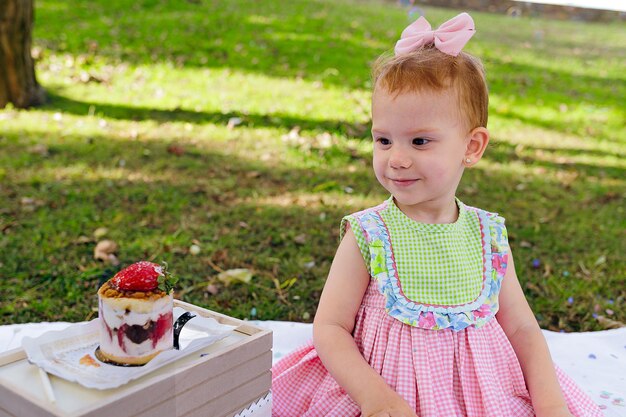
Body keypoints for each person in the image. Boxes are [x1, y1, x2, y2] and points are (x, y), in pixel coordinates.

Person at [271, 12, 603, 417]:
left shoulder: (487, 234)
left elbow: (521, 329)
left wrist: (550, 403)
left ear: (472, 146)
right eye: (383, 139)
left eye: (420, 141)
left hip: (479, 393)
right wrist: (375, 398)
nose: (397, 159)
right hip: (387, 392)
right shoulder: (369, 233)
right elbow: (330, 329)